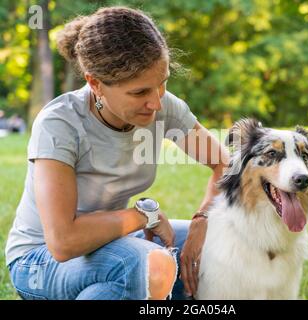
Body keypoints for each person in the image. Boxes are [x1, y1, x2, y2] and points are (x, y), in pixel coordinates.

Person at [5, 6, 229, 300]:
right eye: (139, 93)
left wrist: (203, 220)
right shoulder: (60, 123)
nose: (155, 103)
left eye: (162, 84)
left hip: (115, 245)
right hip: (39, 261)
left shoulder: (165, 107)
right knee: (150, 264)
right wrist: (143, 217)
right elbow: (63, 242)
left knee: (221, 241)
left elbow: (226, 165)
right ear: (95, 83)